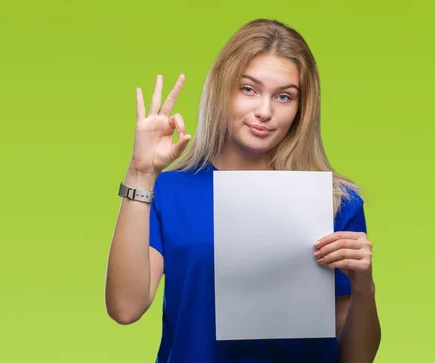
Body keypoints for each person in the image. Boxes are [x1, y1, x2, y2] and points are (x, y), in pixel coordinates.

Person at [105, 18, 381, 363]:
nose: (264, 112)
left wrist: (363, 286)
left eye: (284, 96)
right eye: (248, 89)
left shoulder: (335, 200)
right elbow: (125, 308)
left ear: (301, 108)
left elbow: (356, 359)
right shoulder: (171, 192)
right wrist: (139, 174)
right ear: (223, 89)